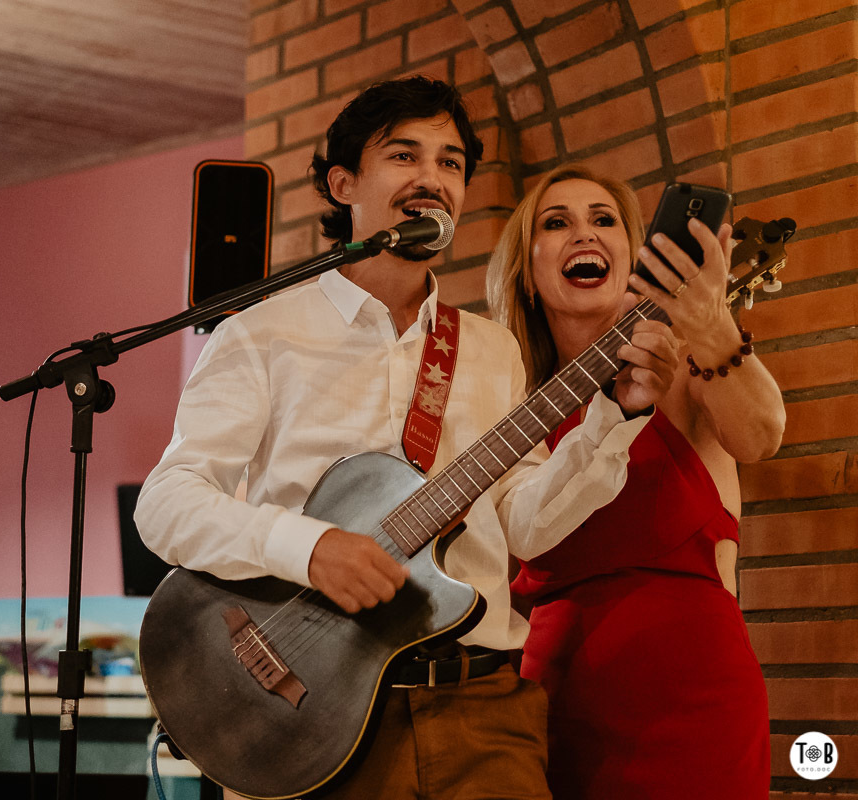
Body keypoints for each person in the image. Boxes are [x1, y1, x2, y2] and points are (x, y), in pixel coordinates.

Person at [135, 78, 677, 800]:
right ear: (343, 184)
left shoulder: (491, 349)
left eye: (451, 163)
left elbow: (524, 525)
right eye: (404, 155)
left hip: (478, 706)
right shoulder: (262, 333)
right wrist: (310, 548)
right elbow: (167, 503)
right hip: (307, 711)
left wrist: (614, 418)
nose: (433, 177)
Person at [486, 163, 785, 799]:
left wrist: (712, 323)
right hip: (554, 702)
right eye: (555, 223)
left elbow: (763, 435)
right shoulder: (509, 404)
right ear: (527, 273)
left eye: (604, 220)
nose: (583, 233)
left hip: (695, 697)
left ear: (631, 257)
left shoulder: (686, 364)